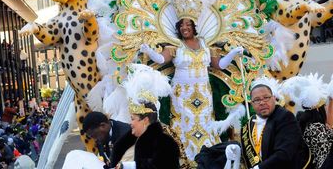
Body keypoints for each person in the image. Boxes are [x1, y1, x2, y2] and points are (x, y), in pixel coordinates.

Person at [140, 16, 243, 160]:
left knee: (204, 121)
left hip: (203, 92)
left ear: (194, 27)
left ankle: (207, 154)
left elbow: (219, 65)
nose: (184, 27)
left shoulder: (205, 44)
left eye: (188, 24)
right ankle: (183, 156)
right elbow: (161, 59)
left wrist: (233, 53)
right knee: (184, 123)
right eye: (181, 25)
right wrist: (149, 51)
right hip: (182, 94)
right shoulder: (176, 46)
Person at [240, 84, 302, 169]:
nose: (262, 102)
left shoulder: (285, 117)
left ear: (274, 98)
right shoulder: (250, 123)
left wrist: (259, 168)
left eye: (266, 98)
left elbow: (284, 153)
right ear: (252, 104)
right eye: (257, 100)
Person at [110, 102, 180, 169]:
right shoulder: (131, 141)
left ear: (145, 120)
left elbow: (162, 166)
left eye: (133, 119)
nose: (130, 123)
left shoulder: (165, 142)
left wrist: (131, 166)